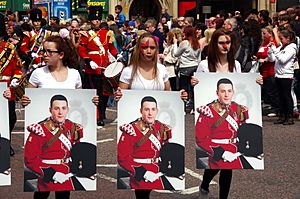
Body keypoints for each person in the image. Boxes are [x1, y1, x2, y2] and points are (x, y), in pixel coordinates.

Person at [114, 32, 187, 199]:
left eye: (152, 48)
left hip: (156, 130)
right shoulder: (128, 71)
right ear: (138, 49)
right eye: (144, 47)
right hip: (138, 133)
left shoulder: (162, 70)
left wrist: (180, 96)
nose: (148, 51)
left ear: (156, 50)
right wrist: (118, 97)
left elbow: (168, 94)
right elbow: (122, 99)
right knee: (142, 188)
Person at [191, 28, 261, 199]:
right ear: (214, 44)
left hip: (230, 121)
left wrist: (256, 82)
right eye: (221, 42)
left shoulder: (235, 65)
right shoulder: (204, 65)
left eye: (228, 42)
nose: (225, 46)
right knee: (214, 165)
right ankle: (205, 184)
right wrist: (194, 83)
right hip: (213, 120)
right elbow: (200, 92)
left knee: (229, 167)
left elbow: (241, 86)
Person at [24, 95, 83, 196]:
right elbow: (30, 159)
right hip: (46, 172)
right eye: (56, 108)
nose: (60, 112)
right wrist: (52, 174)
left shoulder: (73, 127)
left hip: (66, 173)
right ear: (50, 110)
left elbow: (77, 151)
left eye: (63, 108)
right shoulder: (40, 129)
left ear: (67, 109)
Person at [118, 96, 172, 190]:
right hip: (141, 173)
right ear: (141, 111)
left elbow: (166, 150)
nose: (150, 113)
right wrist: (143, 173)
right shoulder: (131, 129)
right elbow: (122, 158)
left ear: (157, 111)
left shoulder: (162, 127)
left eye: (153, 109)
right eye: (147, 110)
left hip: (159, 171)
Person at [195, 78, 248, 169]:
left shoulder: (238, 108)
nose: (226, 95)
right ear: (217, 93)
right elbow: (201, 139)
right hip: (219, 154)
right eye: (223, 91)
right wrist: (222, 153)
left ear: (233, 92)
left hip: (238, 151)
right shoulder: (208, 111)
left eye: (229, 91)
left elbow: (244, 131)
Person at [78, 6, 118, 127]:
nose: (96, 21)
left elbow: (111, 48)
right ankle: (96, 116)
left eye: (98, 19)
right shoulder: (85, 34)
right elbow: (81, 50)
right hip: (92, 69)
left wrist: (117, 55)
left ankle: (102, 114)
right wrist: (89, 61)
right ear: (90, 21)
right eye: (94, 19)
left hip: (104, 68)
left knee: (104, 94)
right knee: (94, 94)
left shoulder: (107, 33)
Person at [1, 13, 23, 156]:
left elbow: (18, 68)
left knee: (10, 118)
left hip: (6, 90)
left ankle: (6, 142)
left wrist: (16, 79)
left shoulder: (8, 47)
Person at [268, 28, 297, 125]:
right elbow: (272, 60)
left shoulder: (292, 48)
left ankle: (289, 117)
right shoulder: (282, 47)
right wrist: (271, 50)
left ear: (288, 38)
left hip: (286, 75)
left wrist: (275, 51)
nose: (280, 41)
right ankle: (282, 116)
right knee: (280, 97)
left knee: (286, 96)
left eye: (282, 38)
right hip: (278, 75)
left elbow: (283, 60)